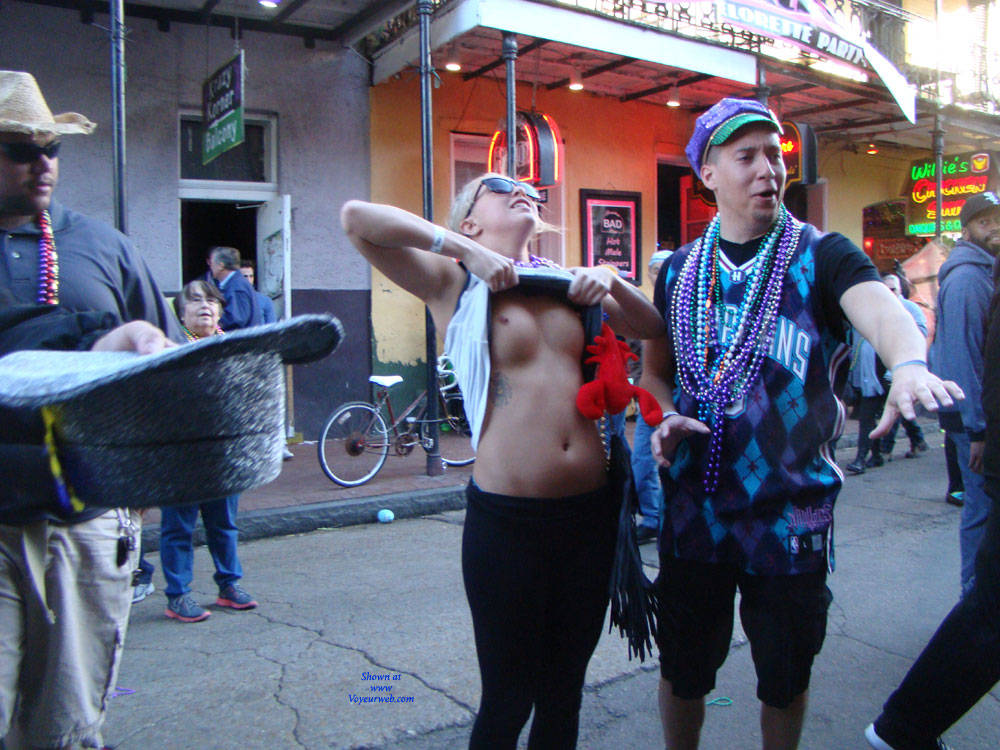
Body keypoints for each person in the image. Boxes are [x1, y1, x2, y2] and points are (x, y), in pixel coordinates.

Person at [639, 97, 962, 750]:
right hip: (695, 510)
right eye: (747, 156)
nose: (768, 168)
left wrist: (907, 363)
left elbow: (881, 311)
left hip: (791, 512)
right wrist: (663, 415)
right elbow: (655, 373)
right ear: (708, 173)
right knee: (683, 669)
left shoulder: (824, 255)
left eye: (774, 153)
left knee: (785, 677)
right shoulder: (677, 271)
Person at [340, 172, 664, 748]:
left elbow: (651, 327)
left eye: (529, 189)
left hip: (589, 518)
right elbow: (356, 220)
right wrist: (465, 251)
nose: (520, 189)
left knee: (564, 694)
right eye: (497, 185)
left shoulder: (568, 283)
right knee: (508, 699)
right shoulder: (452, 281)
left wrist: (611, 278)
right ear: (469, 221)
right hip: (509, 524)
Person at [0, 70, 182, 749]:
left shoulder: (103, 246)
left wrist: (144, 489)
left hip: (86, 522)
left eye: (52, 149)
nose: (43, 164)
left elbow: (161, 367)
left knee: (67, 728)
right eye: (22, 149)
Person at [865, 256, 1000, 750]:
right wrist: (975, 427)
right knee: (990, 607)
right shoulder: (966, 279)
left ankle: (903, 728)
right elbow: (973, 358)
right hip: (978, 428)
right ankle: (903, 728)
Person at [159, 280, 259, 623]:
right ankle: (178, 595)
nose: (205, 306)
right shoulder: (170, 350)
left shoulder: (232, 347)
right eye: (195, 300)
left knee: (224, 524)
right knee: (178, 527)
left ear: (220, 310)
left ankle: (229, 586)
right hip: (180, 453)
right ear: (181, 313)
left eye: (212, 301)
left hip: (223, 454)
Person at [929, 191, 1000, 595]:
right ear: (967, 231)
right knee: (981, 509)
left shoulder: (986, 272)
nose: (994, 228)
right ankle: (973, 601)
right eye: (984, 222)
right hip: (972, 419)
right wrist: (977, 430)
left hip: (979, 416)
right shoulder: (968, 280)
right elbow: (964, 358)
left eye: (998, 219)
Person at [632, 249, 675, 542]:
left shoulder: (692, 304)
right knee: (642, 461)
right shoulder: (643, 307)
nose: (659, 275)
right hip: (649, 400)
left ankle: (664, 517)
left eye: (664, 269)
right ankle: (652, 518)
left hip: (680, 400)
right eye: (655, 270)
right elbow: (637, 358)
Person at [880, 273, 929, 460]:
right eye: (886, 290)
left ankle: (886, 449)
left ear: (900, 289)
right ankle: (918, 440)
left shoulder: (910, 308)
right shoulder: (880, 310)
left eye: (893, 289)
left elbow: (922, 332)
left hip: (903, 367)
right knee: (898, 406)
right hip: (885, 368)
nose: (890, 293)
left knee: (896, 406)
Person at [846, 329, 888, 474]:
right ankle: (874, 456)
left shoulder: (883, 333)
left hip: (881, 383)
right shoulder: (860, 336)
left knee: (867, 419)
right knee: (868, 419)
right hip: (867, 384)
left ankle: (861, 459)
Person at [206, 245, 262, 331]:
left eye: (212, 263)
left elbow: (236, 320)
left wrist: (211, 323)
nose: (210, 266)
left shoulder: (237, 287)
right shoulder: (236, 283)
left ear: (221, 266)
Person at [240, 259, 277, 324]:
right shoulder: (232, 299)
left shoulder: (265, 300)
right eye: (245, 276)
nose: (248, 280)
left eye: (251, 276)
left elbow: (272, 325)